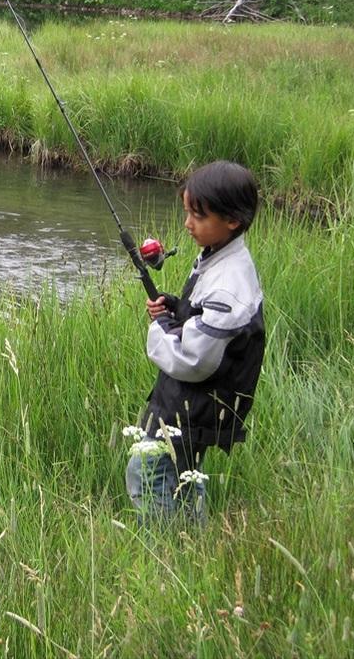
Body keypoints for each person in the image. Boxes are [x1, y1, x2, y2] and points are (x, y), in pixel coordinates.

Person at [126, 160, 265, 524]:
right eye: (187, 212)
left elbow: (193, 359)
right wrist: (176, 308)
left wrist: (161, 327)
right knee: (185, 476)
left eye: (198, 216)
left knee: (147, 469)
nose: (187, 223)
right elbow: (203, 319)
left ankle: (162, 548)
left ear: (231, 220)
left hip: (195, 405)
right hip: (198, 404)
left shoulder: (229, 283)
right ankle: (192, 540)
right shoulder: (220, 256)